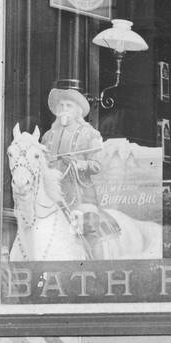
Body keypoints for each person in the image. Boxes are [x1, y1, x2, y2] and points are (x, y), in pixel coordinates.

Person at [41, 78, 109, 245]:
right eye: (61, 106)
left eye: (69, 106)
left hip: (80, 193)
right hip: (52, 195)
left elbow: (96, 165)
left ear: (77, 110)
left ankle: (96, 266)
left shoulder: (89, 134)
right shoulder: (47, 136)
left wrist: (80, 164)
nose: (64, 109)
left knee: (90, 231)